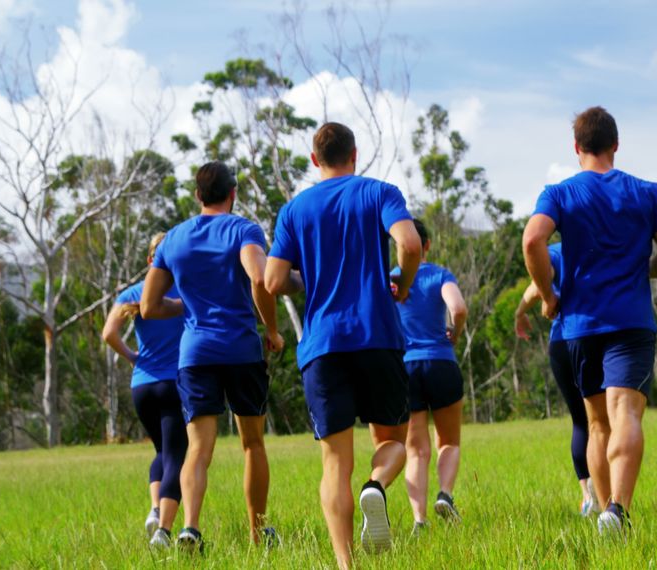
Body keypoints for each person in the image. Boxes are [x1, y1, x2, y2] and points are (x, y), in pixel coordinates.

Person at [521, 106, 657, 537]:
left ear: (576, 148)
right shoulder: (648, 191)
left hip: (580, 326)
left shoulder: (558, 193)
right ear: (616, 145)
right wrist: (642, 269)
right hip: (631, 322)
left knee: (597, 423)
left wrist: (549, 294)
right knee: (626, 414)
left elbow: (533, 239)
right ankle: (619, 510)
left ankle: (603, 514)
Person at [264, 122, 421, 569]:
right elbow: (409, 244)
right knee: (393, 442)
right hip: (377, 335)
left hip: (322, 345)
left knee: (334, 464)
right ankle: (376, 486)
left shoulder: (295, 210)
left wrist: (309, 277)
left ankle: (344, 564)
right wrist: (403, 285)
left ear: (315, 160)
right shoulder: (378, 192)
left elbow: (273, 281)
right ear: (356, 153)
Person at [140, 161, 285, 551]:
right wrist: (271, 330)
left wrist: (186, 305)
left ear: (198, 195)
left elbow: (149, 306)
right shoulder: (243, 230)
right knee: (252, 444)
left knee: (199, 448)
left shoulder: (173, 239)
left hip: (195, 355)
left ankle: (189, 527)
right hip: (240, 350)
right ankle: (258, 533)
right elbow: (259, 278)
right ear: (232, 193)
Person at [101, 233, 188, 548]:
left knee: (161, 451)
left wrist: (132, 356)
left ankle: (154, 509)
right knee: (176, 455)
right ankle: (165, 530)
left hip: (142, 385)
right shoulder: (185, 293)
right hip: (175, 385)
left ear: (150, 260)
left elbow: (109, 333)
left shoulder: (133, 294)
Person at [390, 218, 468, 534]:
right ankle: (445, 495)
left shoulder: (391, 280)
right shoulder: (439, 275)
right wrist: (455, 334)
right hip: (441, 363)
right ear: (427, 247)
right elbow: (459, 309)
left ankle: (419, 520)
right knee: (448, 441)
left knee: (416, 450)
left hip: (405, 368)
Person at [515, 242, 599, 518]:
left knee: (580, 420)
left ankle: (588, 496)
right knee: (603, 419)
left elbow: (541, 277)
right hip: (597, 336)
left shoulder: (558, 249)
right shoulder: (601, 244)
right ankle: (606, 493)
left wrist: (522, 311)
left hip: (562, 341)